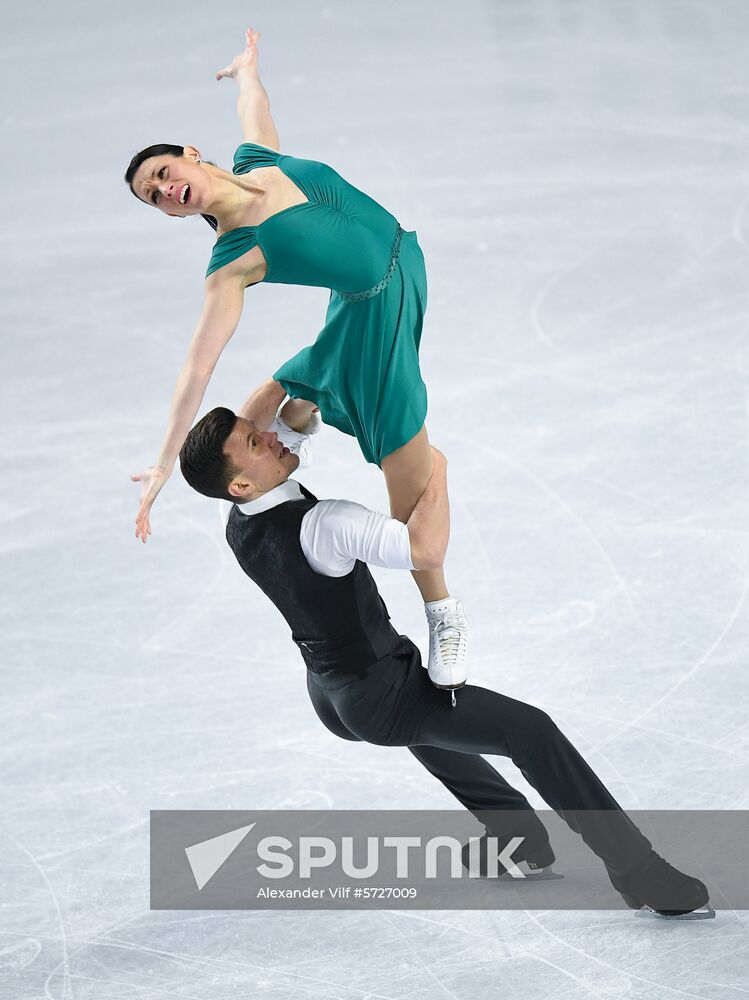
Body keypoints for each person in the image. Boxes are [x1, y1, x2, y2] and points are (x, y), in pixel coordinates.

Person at [171, 377, 715, 920]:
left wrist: (311, 366)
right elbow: (424, 549)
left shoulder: (233, 512)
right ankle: (636, 868)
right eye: (254, 443)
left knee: (427, 714)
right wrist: (430, 468)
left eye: (255, 432)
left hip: (332, 690)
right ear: (240, 482)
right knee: (531, 731)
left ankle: (515, 835)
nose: (269, 436)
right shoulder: (325, 524)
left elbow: (262, 415)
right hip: (378, 693)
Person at [126, 28, 467, 691]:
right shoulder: (234, 260)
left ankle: (306, 409)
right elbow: (196, 369)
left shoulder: (258, 160)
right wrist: (164, 463)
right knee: (409, 485)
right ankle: (443, 611)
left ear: (190, 157)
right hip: (375, 319)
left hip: (394, 273)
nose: (166, 190)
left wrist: (247, 70)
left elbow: (254, 107)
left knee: (283, 391)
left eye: (163, 173)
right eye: (153, 197)